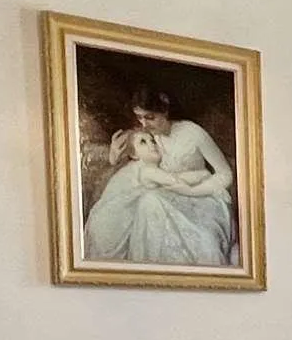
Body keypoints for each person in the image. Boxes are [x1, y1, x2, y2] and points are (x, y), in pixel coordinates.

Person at [85, 89, 237, 268]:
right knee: (148, 202)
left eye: (149, 117)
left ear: (164, 111)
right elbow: (134, 157)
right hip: (167, 196)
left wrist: (196, 190)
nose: (144, 124)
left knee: (154, 202)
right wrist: (113, 158)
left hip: (203, 199)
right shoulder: (149, 137)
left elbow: (225, 174)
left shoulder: (192, 133)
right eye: (140, 118)